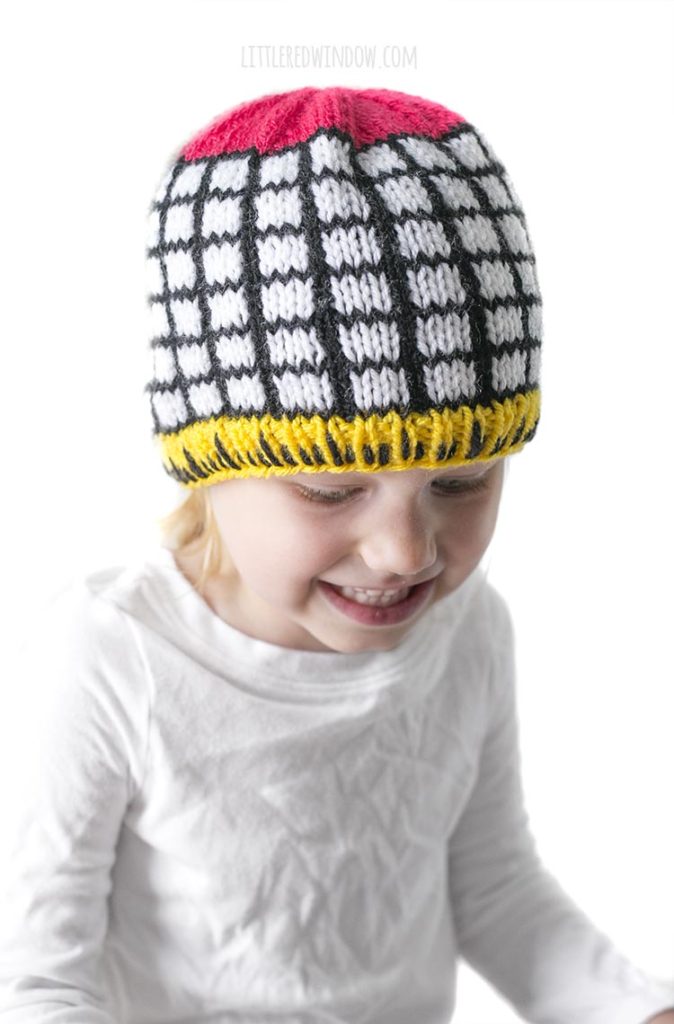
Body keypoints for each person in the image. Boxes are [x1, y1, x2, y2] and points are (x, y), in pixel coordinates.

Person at [0, 84, 672, 1024]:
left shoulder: (469, 632)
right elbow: (35, 983)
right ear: (208, 465)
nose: (404, 551)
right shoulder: (109, 657)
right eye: (329, 489)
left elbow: (496, 891)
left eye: (462, 482)